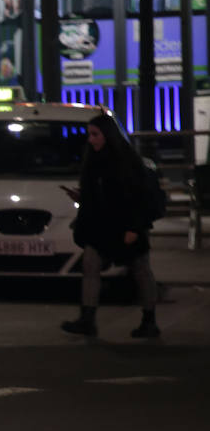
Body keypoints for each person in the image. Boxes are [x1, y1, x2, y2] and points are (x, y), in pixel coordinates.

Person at [60, 114, 160, 339]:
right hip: (102, 226)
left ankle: (149, 320)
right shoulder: (94, 160)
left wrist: (134, 228)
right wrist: (81, 196)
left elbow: (139, 196)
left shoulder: (127, 161)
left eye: (95, 134)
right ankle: (87, 319)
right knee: (91, 266)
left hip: (126, 225)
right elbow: (98, 193)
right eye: (89, 134)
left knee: (141, 270)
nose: (91, 140)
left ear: (108, 135)